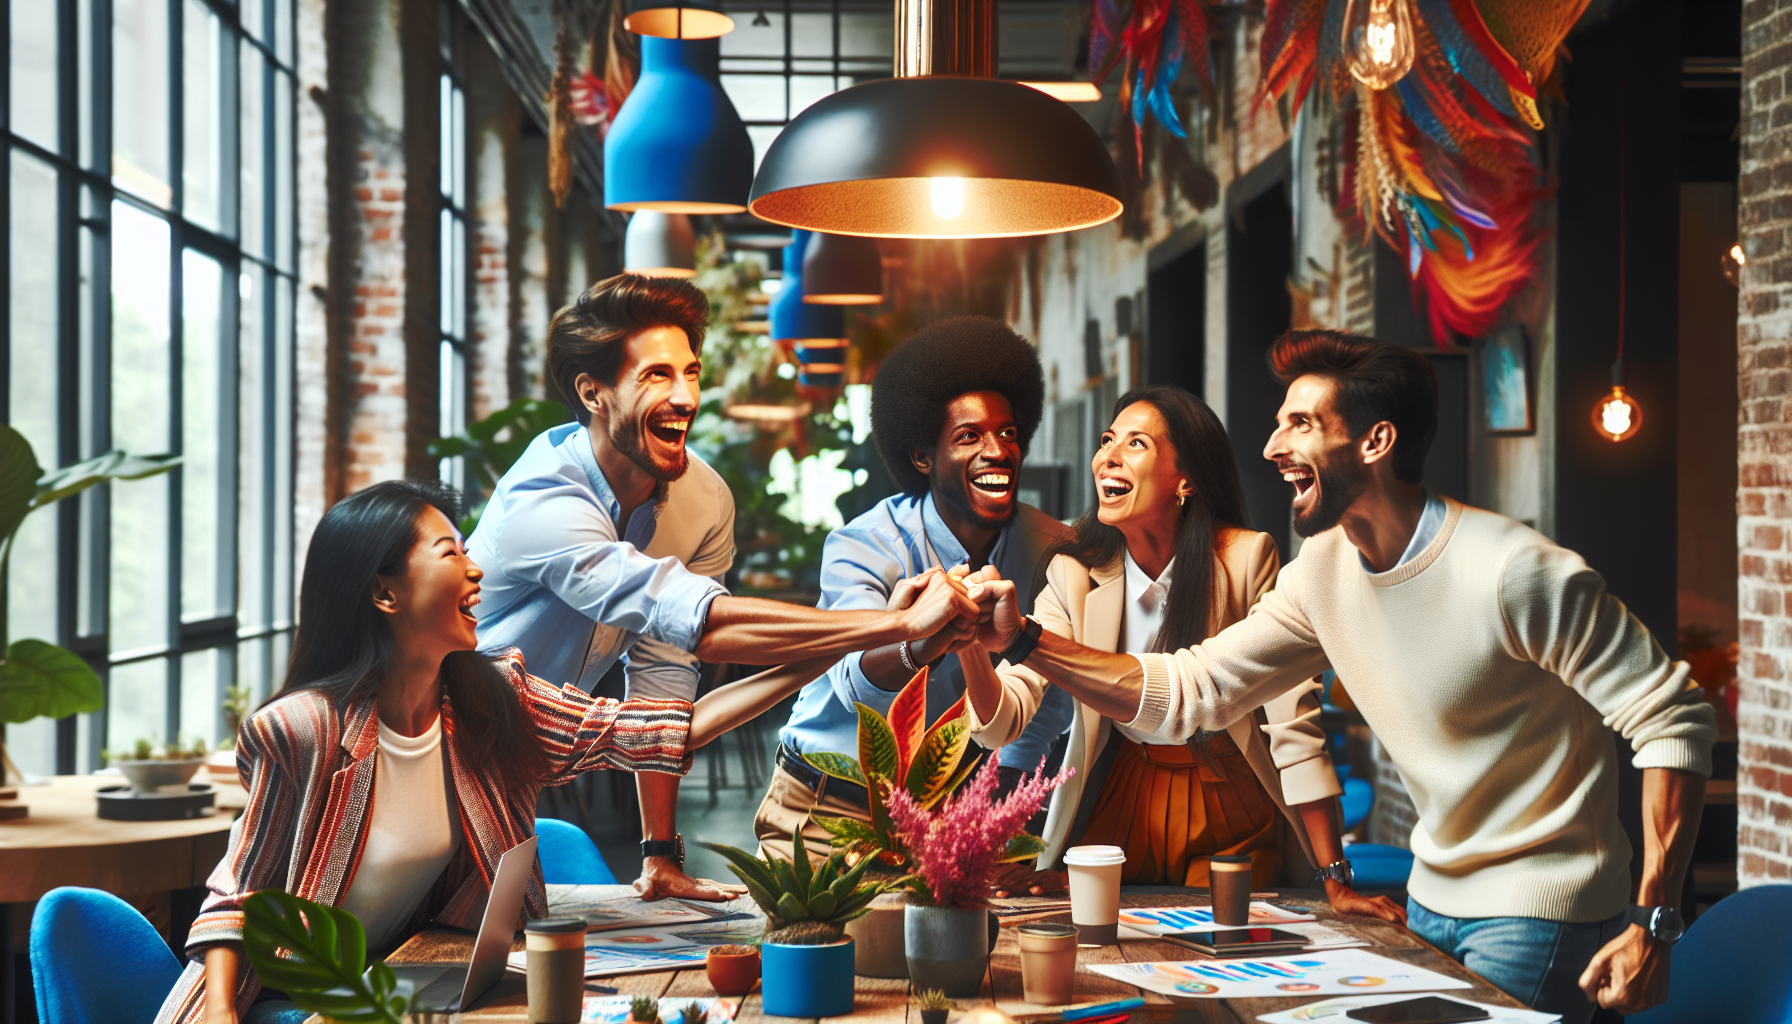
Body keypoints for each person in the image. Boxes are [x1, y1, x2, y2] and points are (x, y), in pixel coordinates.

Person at [969, 331, 1715, 1023]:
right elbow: (1191, 691)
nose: (1270, 447)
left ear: (1376, 441)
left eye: (1300, 424)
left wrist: (1655, 919)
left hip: (1542, 907)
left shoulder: (1512, 571)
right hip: (1428, 897)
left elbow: (1674, 718)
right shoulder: (1322, 573)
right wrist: (1026, 640)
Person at [158, 480, 947, 1024]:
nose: (474, 569)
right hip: (279, 1002)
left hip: (404, 988)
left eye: (467, 548)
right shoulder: (302, 729)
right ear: (384, 592)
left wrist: (850, 641)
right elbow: (237, 899)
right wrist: (226, 1012)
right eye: (446, 553)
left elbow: (677, 727)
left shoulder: (487, 703)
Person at [468, 274, 975, 900]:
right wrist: (898, 626)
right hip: (441, 748)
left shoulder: (704, 500)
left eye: (691, 371)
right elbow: (703, 626)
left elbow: (666, 674)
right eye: (657, 375)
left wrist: (659, 853)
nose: (685, 396)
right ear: (592, 392)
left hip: (529, 762)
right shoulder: (544, 498)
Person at [959, 386, 1395, 917]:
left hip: (1229, 795)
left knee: (1225, 928)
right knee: (1103, 931)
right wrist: (969, 646)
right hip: (1125, 795)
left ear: (1185, 480)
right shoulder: (1073, 572)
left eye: (1136, 443)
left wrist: (1334, 878)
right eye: (1106, 440)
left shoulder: (1244, 558)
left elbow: (1292, 724)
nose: (1108, 457)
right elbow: (1003, 722)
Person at [755, 316, 1077, 865]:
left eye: (1007, 433)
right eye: (969, 436)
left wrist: (1000, 811)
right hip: (828, 810)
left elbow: (1053, 698)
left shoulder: (1054, 550)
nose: (997, 449)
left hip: (965, 817)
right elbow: (857, 685)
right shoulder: (865, 545)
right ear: (923, 457)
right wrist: (918, 640)